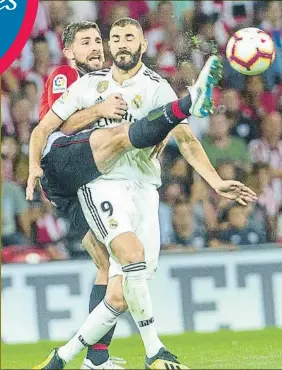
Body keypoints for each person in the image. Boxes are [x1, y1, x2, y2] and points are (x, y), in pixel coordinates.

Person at [29, 18, 256, 370]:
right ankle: (154, 352)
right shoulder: (91, 83)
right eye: (114, 38)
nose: (119, 44)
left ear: (142, 45)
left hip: (145, 187)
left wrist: (214, 181)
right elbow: (54, 126)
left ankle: (64, 358)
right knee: (130, 255)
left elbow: (187, 140)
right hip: (102, 182)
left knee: (120, 294)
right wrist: (35, 166)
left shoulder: (154, 85)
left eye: (127, 38)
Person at [35, 21, 128, 369]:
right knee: (117, 261)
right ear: (70, 52)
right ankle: (92, 358)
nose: (96, 46)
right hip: (67, 163)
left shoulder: (104, 80)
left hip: (83, 176)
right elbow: (62, 123)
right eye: (86, 42)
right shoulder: (64, 74)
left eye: (98, 41)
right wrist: (102, 111)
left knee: (107, 264)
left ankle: (96, 360)